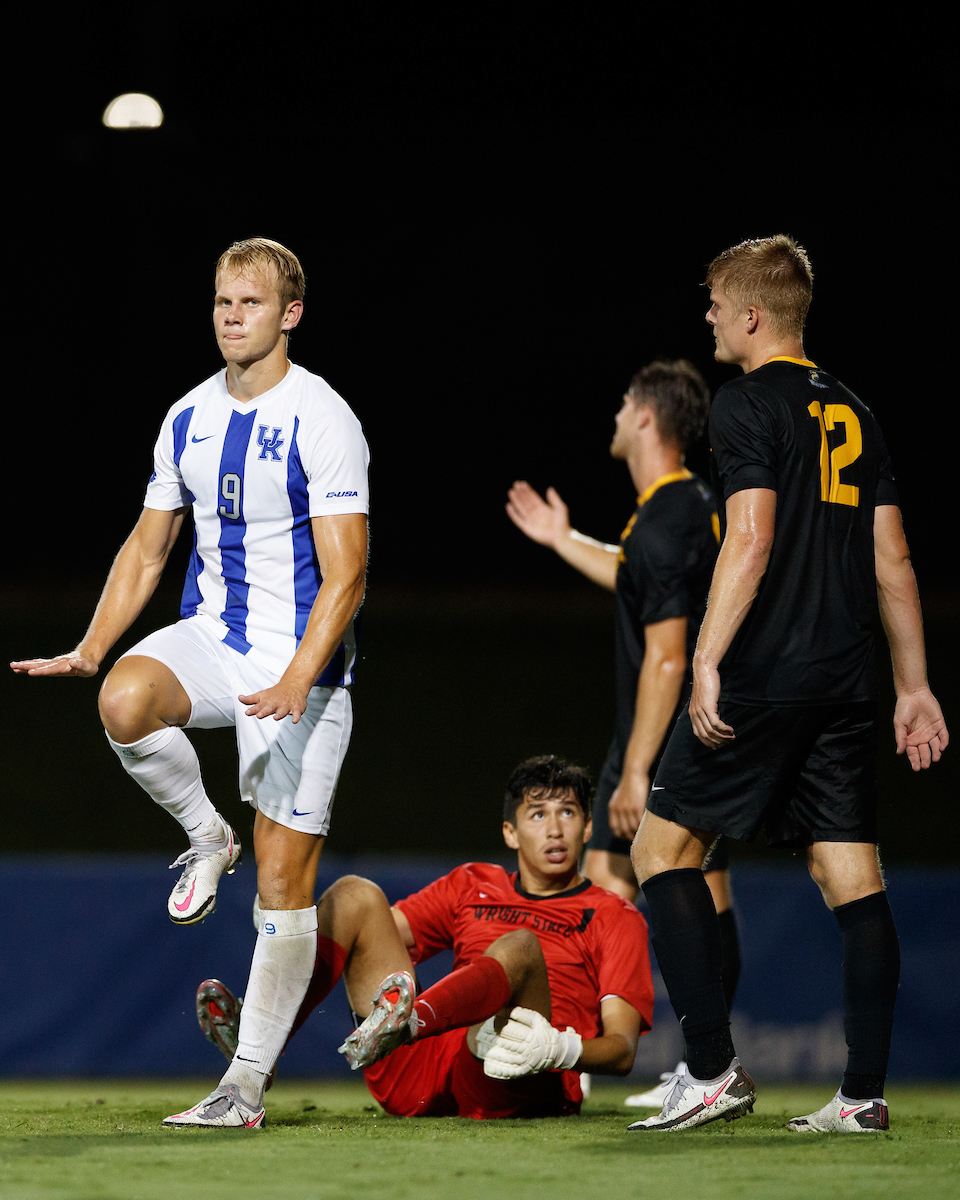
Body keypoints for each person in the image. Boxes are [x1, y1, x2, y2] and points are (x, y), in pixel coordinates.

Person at [11, 237, 370, 1128]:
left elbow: (349, 574)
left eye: (249, 303)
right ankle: (207, 836)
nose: (230, 316)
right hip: (218, 636)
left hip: (307, 669)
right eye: (220, 301)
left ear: (290, 314)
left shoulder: (324, 417)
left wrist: (296, 676)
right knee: (124, 701)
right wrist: (94, 646)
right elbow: (150, 543)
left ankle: (242, 1088)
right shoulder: (187, 416)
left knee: (284, 887)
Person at [629, 235, 949, 1134]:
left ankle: (711, 1070)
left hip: (768, 671)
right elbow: (893, 557)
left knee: (660, 852)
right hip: (849, 682)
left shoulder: (742, 404)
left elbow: (753, 536)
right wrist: (912, 686)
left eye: (717, 307)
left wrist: (707, 657)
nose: (709, 319)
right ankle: (862, 1096)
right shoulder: (855, 410)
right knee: (850, 872)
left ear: (753, 316)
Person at [164, 755, 655, 1126]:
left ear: (588, 827)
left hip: (515, 1070)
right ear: (510, 831)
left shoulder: (616, 916)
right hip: (419, 1073)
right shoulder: (472, 883)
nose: (554, 829)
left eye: (568, 813)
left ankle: (406, 1023)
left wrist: (560, 1051)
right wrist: (293, 921)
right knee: (355, 895)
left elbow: (621, 1050)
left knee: (519, 945)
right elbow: (363, 935)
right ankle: (261, 1050)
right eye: (538, 814)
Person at [506, 361, 740, 1106]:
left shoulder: (672, 513)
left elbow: (669, 652)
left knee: (666, 886)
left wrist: (638, 769)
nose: (614, 415)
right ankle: (672, 1058)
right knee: (627, 888)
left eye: (621, 404)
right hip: (662, 731)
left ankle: (702, 1062)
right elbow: (632, 572)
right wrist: (560, 536)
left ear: (645, 417)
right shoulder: (669, 512)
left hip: (673, 733)